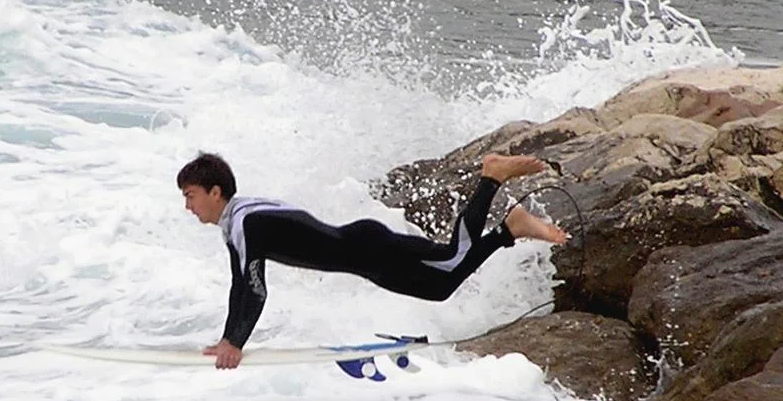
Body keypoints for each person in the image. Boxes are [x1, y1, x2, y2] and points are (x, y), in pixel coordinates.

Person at [177, 152, 568, 369]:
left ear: (215, 192)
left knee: (451, 259)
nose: (187, 206)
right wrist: (229, 338)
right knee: (440, 287)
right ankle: (510, 230)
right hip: (365, 256)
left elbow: (254, 289)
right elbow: (240, 284)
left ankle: (493, 176)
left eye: (191, 195)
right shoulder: (239, 220)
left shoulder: (244, 223)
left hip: (369, 248)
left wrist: (235, 343)